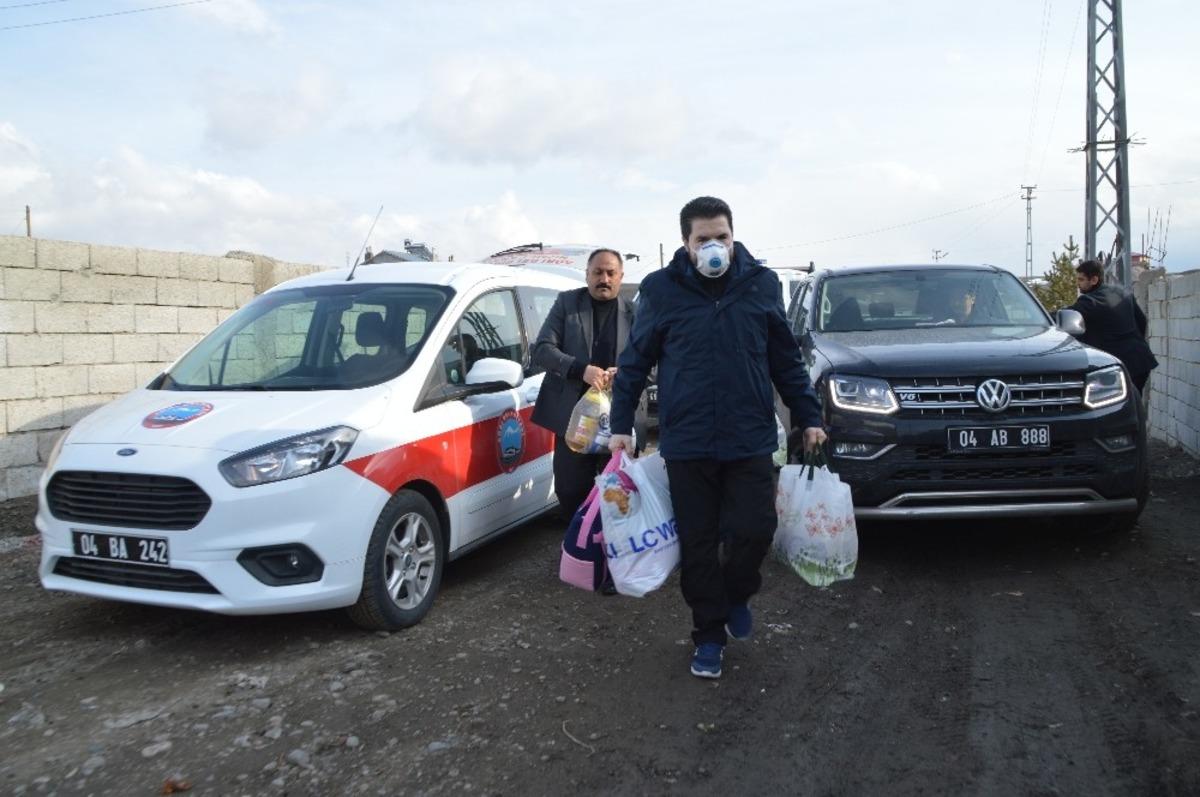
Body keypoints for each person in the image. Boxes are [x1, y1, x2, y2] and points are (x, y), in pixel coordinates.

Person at [608, 196, 827, 680]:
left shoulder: (760, 285)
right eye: (703, 239)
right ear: (686, 244)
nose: (714, 247)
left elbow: (785, 360)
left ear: (733, 237)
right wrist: (621, 425)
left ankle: (737, 595)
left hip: (749, 437)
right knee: (699, 544)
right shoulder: (661, 290)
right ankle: (708, 635)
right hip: (687, 442)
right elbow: (635, 361)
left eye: (721, 237)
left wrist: (809, 415)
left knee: (754, 530)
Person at [532, 248, 636, 522]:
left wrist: (624, 373)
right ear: (587, 274)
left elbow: (654, 363)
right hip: (574, 420)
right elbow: (542, 350)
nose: (604, 279)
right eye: (597, 272)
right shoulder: (567, 304)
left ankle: (612, 544)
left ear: (621, 276)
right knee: (570, 491)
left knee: (620, 497)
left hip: (619, 421)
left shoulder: (635, 312)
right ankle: (580, 542)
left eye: (611, 273)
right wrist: (581, 370)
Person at [1068, 259, 1158, 393]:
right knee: (1134, 402)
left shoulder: (1089, 301)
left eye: (1081, 279)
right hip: (1141, 360)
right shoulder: (1121, 292)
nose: (1078, 283)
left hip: (1118, 367)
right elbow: (1142, 321)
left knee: (1112, 404)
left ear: (1094, 280)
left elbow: (1062, 316)